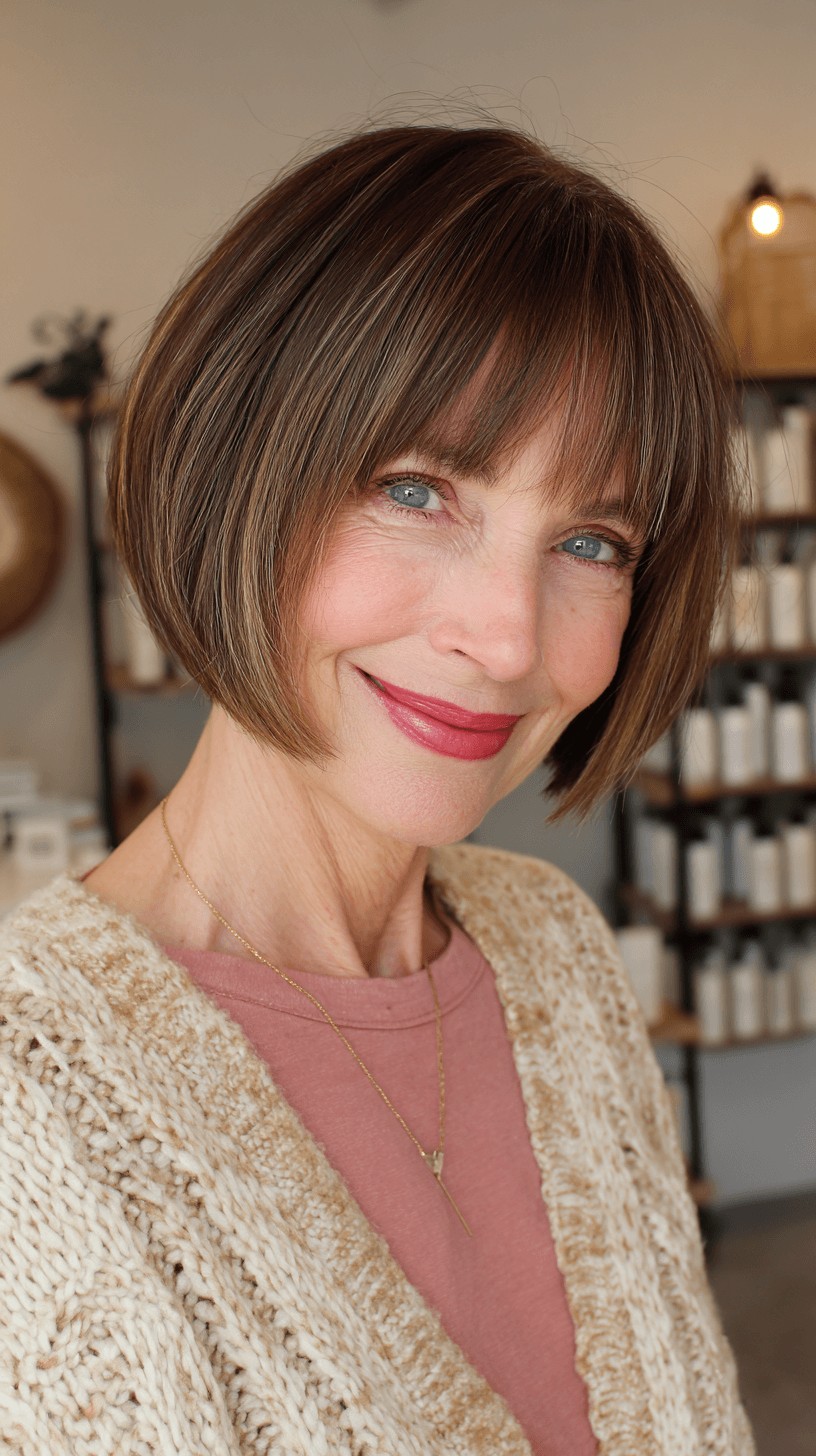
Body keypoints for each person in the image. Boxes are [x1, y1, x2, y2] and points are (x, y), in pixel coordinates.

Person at [0, 121, 754, 1455]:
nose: (509, 637)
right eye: (418, 489)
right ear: (234, 466)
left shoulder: (556, 957)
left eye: (592, 540)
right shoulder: (30, 1102)